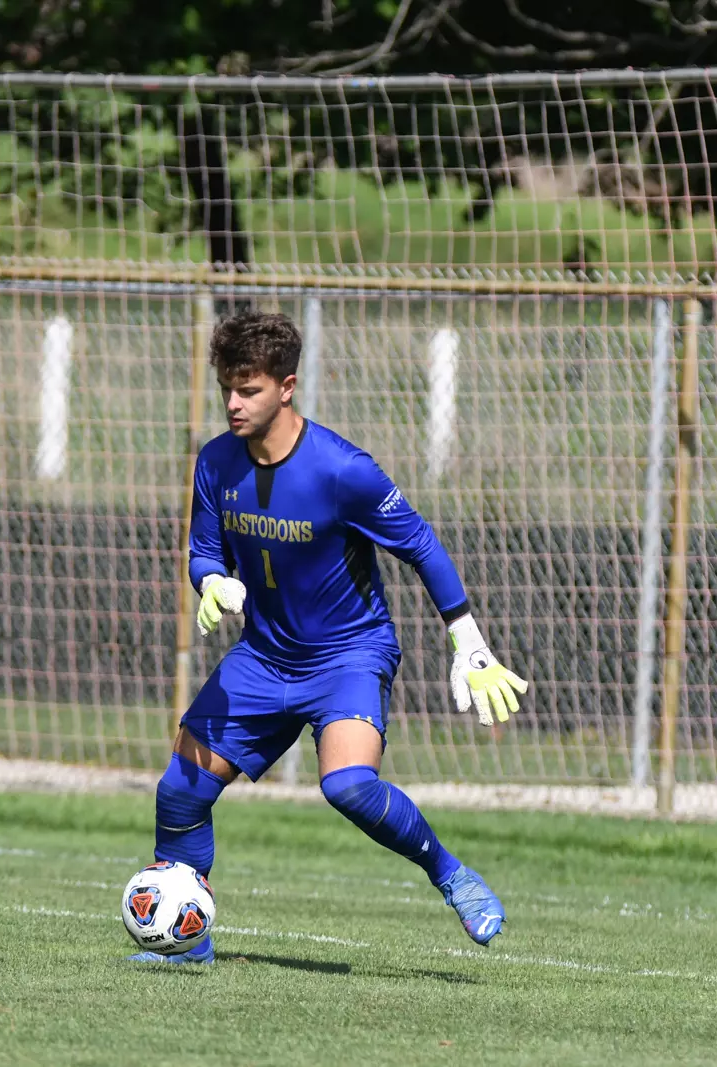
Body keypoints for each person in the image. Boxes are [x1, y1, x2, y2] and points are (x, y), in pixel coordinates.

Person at [127, 310, 529, 965]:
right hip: (262, 655)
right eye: (226, 386)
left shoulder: (344, 470)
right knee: (179, 790)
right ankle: (184, 942)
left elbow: (421, 544)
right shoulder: (215, 462)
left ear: (287, 387)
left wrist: (470, 643)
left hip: (348, 654)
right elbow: (204, 548)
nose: (233, 402)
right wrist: (210, 583)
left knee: (347, 786)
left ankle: (452, 873)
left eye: (248, 388)